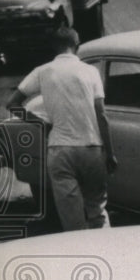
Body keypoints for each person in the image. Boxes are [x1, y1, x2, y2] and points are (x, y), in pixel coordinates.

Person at [6, 26, 117, 231]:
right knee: (97, 210)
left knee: (72, 218)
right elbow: (101, 114)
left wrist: (41, 124)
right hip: (92, 148)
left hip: (60, 150)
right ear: (77, 45)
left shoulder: (42, 71)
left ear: (54, 48)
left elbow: (12, 104)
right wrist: (110, 154)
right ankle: (105, 249)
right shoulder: (91, 71)